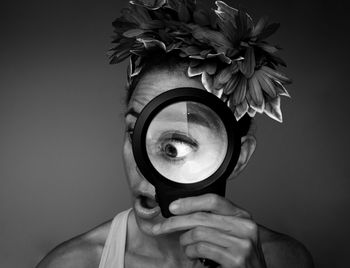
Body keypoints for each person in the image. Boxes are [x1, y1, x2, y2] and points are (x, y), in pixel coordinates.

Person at [36, 1, 314, 267]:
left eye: (175, 147)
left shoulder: (283, 259)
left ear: (237, 157)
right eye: (134, 132)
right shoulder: (72, 263)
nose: (142, 164)